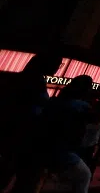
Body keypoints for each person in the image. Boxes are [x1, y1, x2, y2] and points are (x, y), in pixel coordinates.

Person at [0, 53, 63, 192]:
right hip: (21, 138)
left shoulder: (24, 79)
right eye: (58, 65)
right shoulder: (33, 83)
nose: (58, 68)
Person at [42, 75, 98, 193]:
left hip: (45, 146)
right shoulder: (81, 106)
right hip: (62, 150)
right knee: (84, 175)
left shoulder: (55, 101)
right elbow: (93, 118)